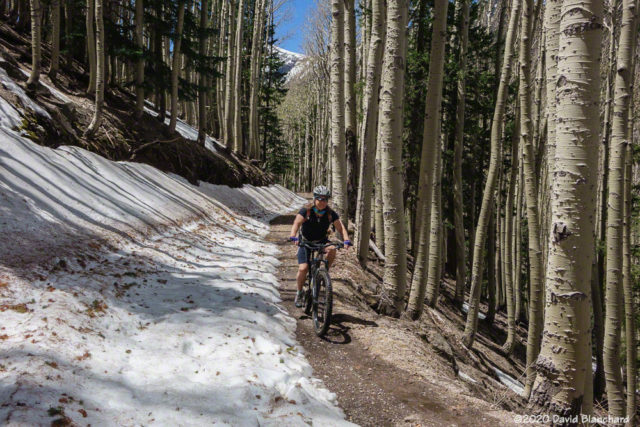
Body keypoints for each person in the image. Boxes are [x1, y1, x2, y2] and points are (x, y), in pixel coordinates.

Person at [289, 185, 351, 307]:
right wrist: (293, 236)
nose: (322, 202)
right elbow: (296, 223)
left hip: (321, 241)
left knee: (332, 249)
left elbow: (340, 227)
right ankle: (299, 292)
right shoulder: (306, 211)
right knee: (303, 268)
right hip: (305, 242)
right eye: (320, 199)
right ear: (315, 199)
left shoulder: (330, 213)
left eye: (325, 199)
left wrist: (346, 240)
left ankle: (324, 273)